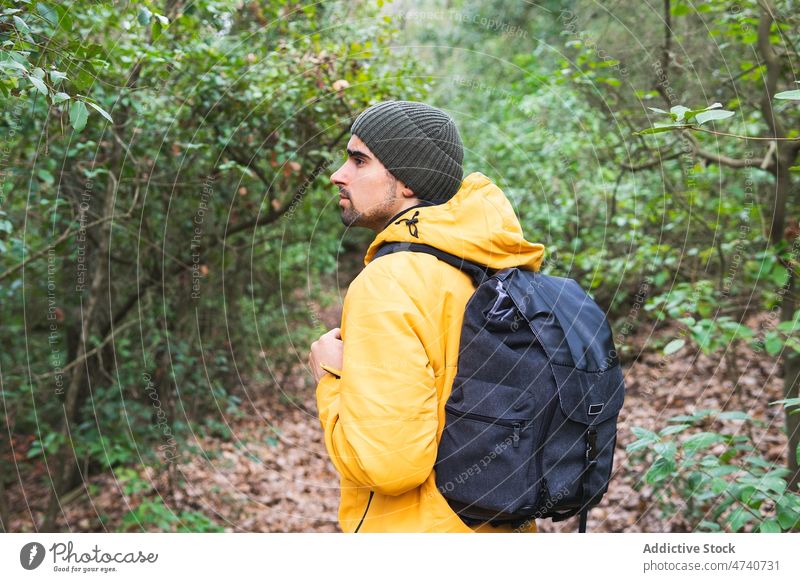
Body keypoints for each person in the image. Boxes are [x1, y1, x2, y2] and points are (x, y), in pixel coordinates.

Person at [308, 100, 545, 532]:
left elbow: (389, 466)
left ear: (408, 181)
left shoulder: (390, 282)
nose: (338, 175)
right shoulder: (492, 266)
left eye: (359, 160)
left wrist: (331, 379)